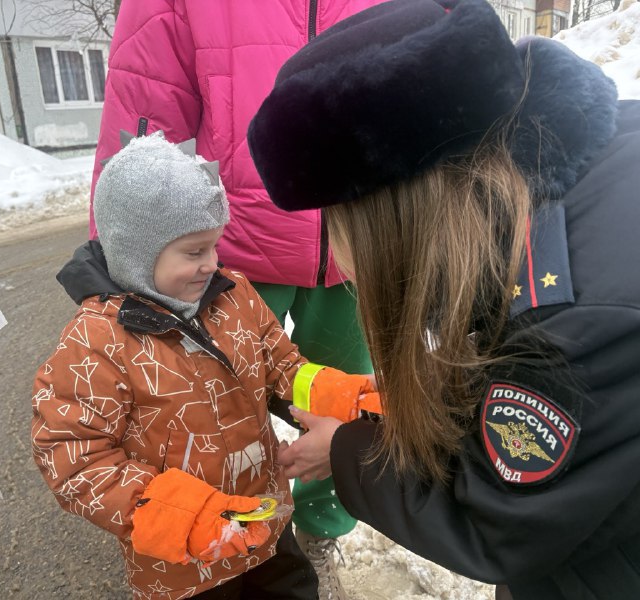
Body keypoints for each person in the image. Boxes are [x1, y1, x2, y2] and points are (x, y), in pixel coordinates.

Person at [246, 0, 640, 598]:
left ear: (394, 216)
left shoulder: (571, 315)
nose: (341, 251)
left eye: (338, 220)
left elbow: (501, 520)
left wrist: (348, 452)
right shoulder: (574, 168)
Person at [88, 3, 390, 597]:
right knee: (196, 402)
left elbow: (293, 375)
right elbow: (148, 88)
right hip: (242, 244)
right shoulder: (103, 344)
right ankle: (195, 520)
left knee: (336, 393)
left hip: (362, 236)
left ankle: (315, 527)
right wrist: (123, 251)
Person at [31, 133, 378, 599]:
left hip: (264, 524)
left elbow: (286, 368)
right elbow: (76, 459)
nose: (210, 265)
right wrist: (183, 518)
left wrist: (345, 397)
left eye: (214, 247)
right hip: (181, 563)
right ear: (136, 250)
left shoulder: (233, 295)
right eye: (194, 252)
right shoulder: (96, 341)